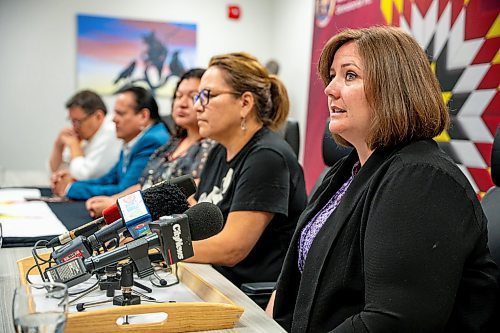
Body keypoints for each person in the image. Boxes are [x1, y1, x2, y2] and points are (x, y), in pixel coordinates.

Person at [269, 26, 498, 332]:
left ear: (394, 87)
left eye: (349, 75)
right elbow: (297, 280)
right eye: (333, 75)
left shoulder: (422, 180)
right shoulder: (346, 171)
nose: (330, 88)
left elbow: (392, 321)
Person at [186, 52, 307, 292]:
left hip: (248, 297)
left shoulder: (267, 157)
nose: (197, 106)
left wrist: (158, 250)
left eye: (207, 95)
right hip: (212, 280)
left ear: (245, 103)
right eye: (198, 96)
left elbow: (231, 248)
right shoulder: (220, 151)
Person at [85, 68, 216, 217]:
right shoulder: (173, 143)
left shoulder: (211, 149)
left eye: (193, 96)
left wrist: (120, 208)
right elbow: (144, 184)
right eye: (178, 96)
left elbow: (185, 201)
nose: (182, 103)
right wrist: (115, 201)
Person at [52, 86, 169, 200]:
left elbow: (124, 191)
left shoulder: (151, 141)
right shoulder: (133, 139)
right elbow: (110, 178)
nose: (114, 119)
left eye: (121, 114)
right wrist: (75, 183)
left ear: (143, 116)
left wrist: (70, 188)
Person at [49, 90, 121, 181]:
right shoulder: (87, 136)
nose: (74, 127)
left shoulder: (111, 131)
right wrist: (58, 145)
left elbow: (84, 176)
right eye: (72, 121)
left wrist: (74, 145)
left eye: (78, 122)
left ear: (98, 116)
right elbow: (56, 170)